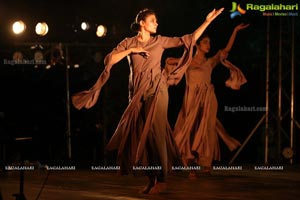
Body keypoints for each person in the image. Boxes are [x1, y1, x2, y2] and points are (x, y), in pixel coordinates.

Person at [72, 8, 224, 194]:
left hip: (157, 90)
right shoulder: (128, 42)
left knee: (156, 133)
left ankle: (162, 180)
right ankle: (152, 179)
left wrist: (207, 21)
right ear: (142, 23)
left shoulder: (159, 41)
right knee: (141, 136)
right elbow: (109, 60)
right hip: (137, 93)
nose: (157, 23)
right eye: (153, 20)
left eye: (156, 21)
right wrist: (132, 49)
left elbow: (189, 38)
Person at [166, 23, 249, 178]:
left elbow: (226, 50)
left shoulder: (210, 62)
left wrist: (235, 31)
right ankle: (189, 164)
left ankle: (204, 162)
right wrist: (180, 62)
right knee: (189, 129)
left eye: (210, 42)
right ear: (197, 44)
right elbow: (170, 61)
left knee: (206, 129)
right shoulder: (189, 61)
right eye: (205, 42)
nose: (209, 45)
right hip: (191, 98)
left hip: (209, 98)